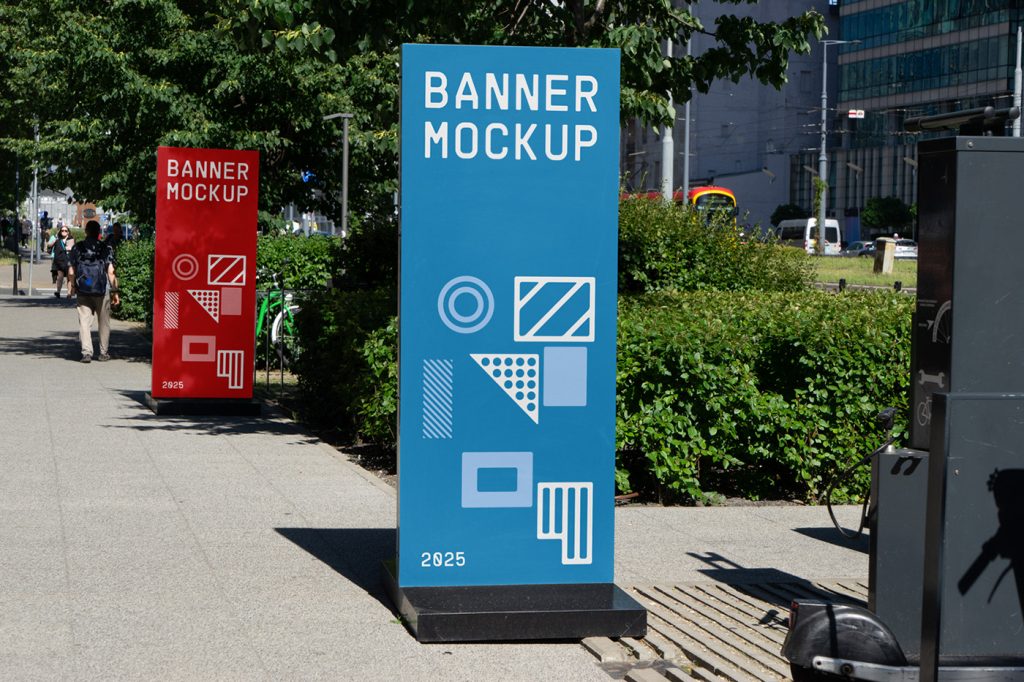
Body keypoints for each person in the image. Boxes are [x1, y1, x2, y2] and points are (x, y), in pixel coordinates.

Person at [68, 220, 120, 363]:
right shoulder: (105, 248)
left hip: (83, 289)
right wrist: (115, 292)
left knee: (84, 322)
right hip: (102, 290)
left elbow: (71, 271)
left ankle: (86, 352)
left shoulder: (77, 248)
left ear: (86, 231)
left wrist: (73, 286)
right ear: (99, 233)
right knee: (104, 322)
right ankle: (103, 352)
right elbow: (111, 272)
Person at [47, 225, 75, 297]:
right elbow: (49, 245)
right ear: (60, 231)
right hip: (58, 261)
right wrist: (55, 239)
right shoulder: (57, 239)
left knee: (69, 277)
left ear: (68, 232)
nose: (64, 232)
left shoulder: (70, 239)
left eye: (65, 231)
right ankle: (58, 291)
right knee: (60, 277)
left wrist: (68, 248)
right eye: (62, 230)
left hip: (68, 261)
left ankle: (69, 293)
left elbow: (72, 247)